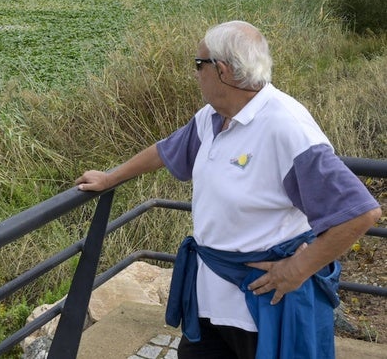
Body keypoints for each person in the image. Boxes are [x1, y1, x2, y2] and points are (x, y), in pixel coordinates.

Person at [75, 20, 381, 359]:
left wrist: (298, 268)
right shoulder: (211, 118)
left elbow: (361, 212)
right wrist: (109, 178)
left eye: (198, 64)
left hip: (263, 307)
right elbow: (166, 150)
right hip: (209, 296)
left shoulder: (286, 128)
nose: (195, 74)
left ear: (221, 70)